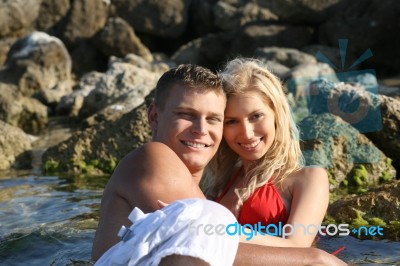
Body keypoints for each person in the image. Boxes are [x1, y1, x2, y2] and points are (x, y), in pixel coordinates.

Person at [92, 64, 347, 265]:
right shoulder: (155, 158)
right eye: (186, 115)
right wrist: (315, 260)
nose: (201, 130)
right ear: (154, 116)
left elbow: (208, 238)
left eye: (214, 119)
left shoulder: (304, 178)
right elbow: (204, 243)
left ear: (277, 116)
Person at [203, 57, 329, 247]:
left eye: (256, 116)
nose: (246, 133)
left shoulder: (308, 178)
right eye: (231, 121)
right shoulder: (219, 181)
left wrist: (210, 228)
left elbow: (296, 247)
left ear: (277, 115)